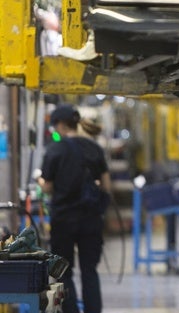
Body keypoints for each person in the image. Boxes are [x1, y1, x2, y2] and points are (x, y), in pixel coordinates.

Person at [39, 104, 111, 313]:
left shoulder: (55, 150)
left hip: (63, 220)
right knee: (90, 271)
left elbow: (48, 187)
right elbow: (107, 186)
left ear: (61, 125)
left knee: (64, 272)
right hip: (91, 219)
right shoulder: (94, 148)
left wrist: (40, 182)